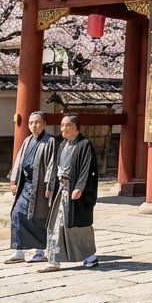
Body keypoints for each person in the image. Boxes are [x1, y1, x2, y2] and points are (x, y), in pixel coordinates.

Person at [39, 114, 98, 272]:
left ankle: (90, 256)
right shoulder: (62, 145)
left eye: (67, 125)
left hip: (75, 191)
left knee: (78, 225)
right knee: (56, 223)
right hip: (62, 189)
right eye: (62, 125)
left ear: (76, 127)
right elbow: (54, 168)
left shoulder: (85, 145)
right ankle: (54, 259)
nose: (62, 129)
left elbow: (88, 169)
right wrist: (51, 185)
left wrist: (79, 187)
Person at [7, 111, 56, 264]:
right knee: (17, 214)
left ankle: (40, 251)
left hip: (40, 186)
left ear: (44, 124)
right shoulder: (27, 140)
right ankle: (19, 251)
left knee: (38, 218)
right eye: (31, 123)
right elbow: (19, 162)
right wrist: (14, 180)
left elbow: (52, 165)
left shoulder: (50, 141)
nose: (34, 126)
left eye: (37, 122)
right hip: (25, 184)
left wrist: (49, 185)